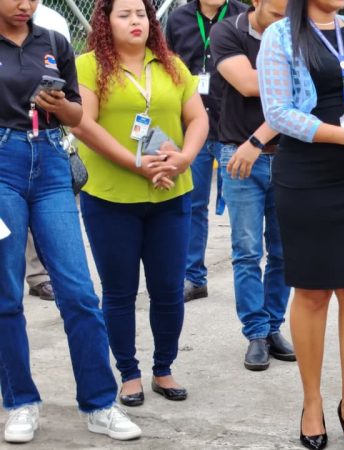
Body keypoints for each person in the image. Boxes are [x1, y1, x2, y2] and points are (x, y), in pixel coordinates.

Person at [0, 0, 140, 442]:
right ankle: (20, 402)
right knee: (6, 294)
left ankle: (99, 403)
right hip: (2, 166)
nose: (26, 4)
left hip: (52, 162)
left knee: (78, 291)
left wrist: (59, 104)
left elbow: (79, 116)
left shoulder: (54, 41)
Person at [258, 0, 344, 447]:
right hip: (308, 174)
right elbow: (278, 112)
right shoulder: (280, 36)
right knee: (313, 291)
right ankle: (312, 402)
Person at [71, 0, 208, 408]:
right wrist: (137, 164)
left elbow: (198, 119)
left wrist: (183, 159)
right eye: (124, 14)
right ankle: (128, 373)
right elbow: (84, 124)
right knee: (119, 291)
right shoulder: (87, 66)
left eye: (141, 14)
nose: (136, 21)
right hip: (111, 196)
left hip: (171, 192)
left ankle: (163, 368)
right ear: (105, 21)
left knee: (168, 289)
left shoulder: (171, 65)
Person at [210, 0, 294, 370]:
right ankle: (256, 332)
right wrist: (293, 79)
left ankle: (274, 326)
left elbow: (301, 93)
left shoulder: (296, 32)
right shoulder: (227, 30)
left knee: (284, 252)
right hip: (239, 154)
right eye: (275, 14)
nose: (282, 23)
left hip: (289, 156)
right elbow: (246, 84)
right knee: (246, 251)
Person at [166, 0, 248, 302]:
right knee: (192, 204)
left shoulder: (244, 16)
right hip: (195, 128)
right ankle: (193, 277)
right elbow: (168, 67)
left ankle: (248, 280)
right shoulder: (178, 19)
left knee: (243, 207)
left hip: (236, 129)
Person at [23, 2, 73, 303]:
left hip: (44, 135)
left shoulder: (53, 24)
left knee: (42, 212)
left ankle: (41, 274)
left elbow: (69, 86)